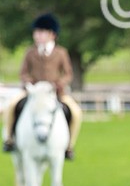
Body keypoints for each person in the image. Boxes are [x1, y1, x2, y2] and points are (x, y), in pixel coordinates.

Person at [3, 13, 82, 159]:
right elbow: (23, 73)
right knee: (11, 106)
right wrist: (30, 83)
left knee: (76, 112)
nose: (37, 36)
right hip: (32, 92)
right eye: (36, 32)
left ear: (52, 34)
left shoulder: (61, 52)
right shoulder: (30, 52)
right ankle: (9, 139)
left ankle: (69, 146)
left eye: (41, 32)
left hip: (56, 93)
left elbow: (68, 74)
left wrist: (58, 84)